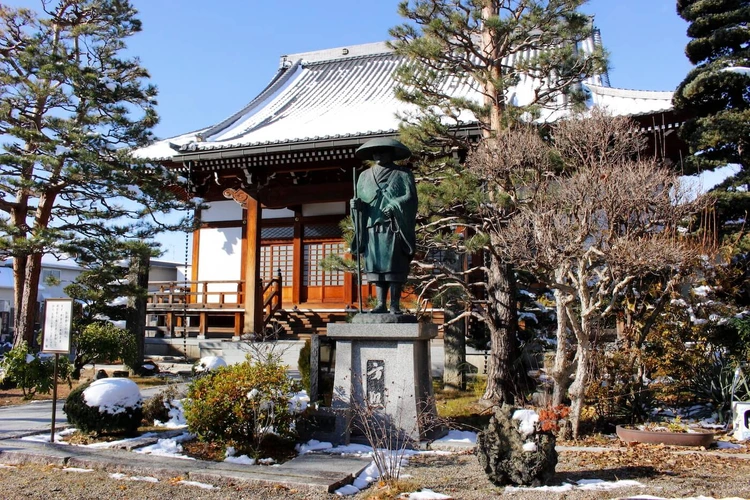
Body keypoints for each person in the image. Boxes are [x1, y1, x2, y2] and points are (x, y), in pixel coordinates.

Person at [351, 138, 417, 314]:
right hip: (372, 226)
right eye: (376, 152)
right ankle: (380, 303)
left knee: (394, 264)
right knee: (376, 265)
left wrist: (395, 205)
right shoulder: (364, 176)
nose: (378, 155)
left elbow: (410, 198)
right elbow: (361, 200)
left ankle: (394, 304)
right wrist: (356, 206)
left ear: (392, 153)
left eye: (383, 151)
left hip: (393, 226)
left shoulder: (403, 174)